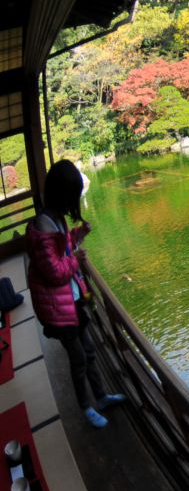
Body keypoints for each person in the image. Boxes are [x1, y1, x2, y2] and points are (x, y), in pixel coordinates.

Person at [25, 160, 125, 429]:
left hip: (72, 301)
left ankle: (101, 397)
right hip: (58, 311)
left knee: (89, 350)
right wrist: (76, 262)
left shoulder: (55, 218)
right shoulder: (42, 228)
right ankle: (85, 406)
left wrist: (79, 234)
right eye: (73, 195)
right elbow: (56, 271)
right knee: (78, 358)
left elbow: (64, 247)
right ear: (63, 194)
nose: (74, 203)